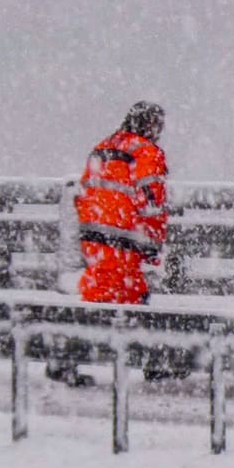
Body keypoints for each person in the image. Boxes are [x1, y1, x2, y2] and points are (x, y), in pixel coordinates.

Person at [48, 102, 169, 382]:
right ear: (152, 125)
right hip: (125, 236)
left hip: (93, 234)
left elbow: (83, 192)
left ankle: (67, 356)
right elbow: (152, 201)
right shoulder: (146, 152)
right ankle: (151, 359)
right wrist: (153, 243)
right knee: (125, 297)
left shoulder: (102, 147)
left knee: (105, 293)